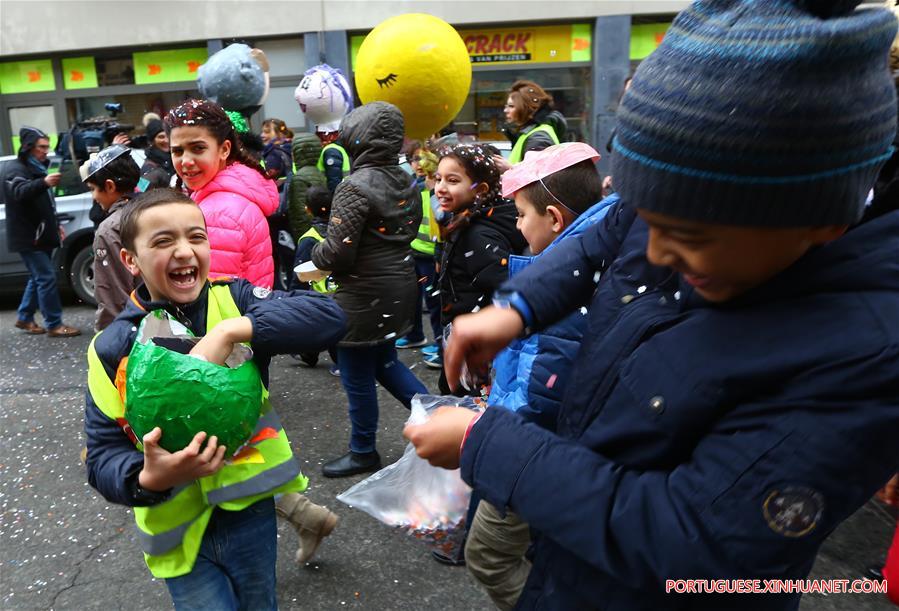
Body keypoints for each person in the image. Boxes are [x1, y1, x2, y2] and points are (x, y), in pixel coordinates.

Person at [405, 1, 899, 609]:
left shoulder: (864, 356)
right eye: (647, 216)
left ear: (821, 221)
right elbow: (606, 233)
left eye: (687, 236)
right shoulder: (691, 215)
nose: (657, 251)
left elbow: (698, 541)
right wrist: (518, 308)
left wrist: (488, 444)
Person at [84, 188, 346, 609]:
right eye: (163, 241)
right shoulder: (111, 347)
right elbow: (101, 456)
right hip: (178, 533)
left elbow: (328, 316)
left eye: (196, 237)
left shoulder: (232, 300)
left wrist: (229, 332)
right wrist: (149, 478)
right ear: (130, 260)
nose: (185, 252)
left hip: (250, 516)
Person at [465, 143, 613, 608]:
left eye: (522, 214)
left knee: (487, 553)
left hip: (528, 450)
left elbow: (545, 395)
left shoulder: (565, 291)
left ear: (554, 218)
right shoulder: (569, 268)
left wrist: (490, 431)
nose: (517, 225)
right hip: (542, 442)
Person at [310, 102, 428, 478]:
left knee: (356, 372)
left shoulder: (354, 185)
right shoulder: (406, 177)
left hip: (363, 294)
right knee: (386, 362)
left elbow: (337, 253)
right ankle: (440, 417)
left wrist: (314, 251)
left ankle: (363, 450)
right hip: (401, 284)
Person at [434, 143, 526, 392]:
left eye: (452, 180)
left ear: (480, 190)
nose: (440, 188)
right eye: (438, 178)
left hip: (478, 346)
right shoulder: (469, 219)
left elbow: (505, 288)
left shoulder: (478, 234)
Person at [164, 99, 279, 289]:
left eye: (198, 149)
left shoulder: (217, 214)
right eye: (177, 151)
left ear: (224, 149)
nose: (185, 161)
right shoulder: (236, 192)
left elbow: (211, 297)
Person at [3, 126, 81, 337]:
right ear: (29, 147)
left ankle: (25, 317)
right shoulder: (16, 168)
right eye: (42, 147)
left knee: (38, 277)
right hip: (29, 237)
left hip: (39, 234)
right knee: (45, 277)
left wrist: (55, 225)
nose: (46, 151)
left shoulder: (35, 166)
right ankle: (54, 324)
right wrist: (43, 182)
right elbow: (19, 192)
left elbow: (45, 204)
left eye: (47, 146)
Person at [82, 144, 141, 331]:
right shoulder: (155, 211)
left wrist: (107, 340)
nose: (94, 197)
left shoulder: (110, 229)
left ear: (109, 186)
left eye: (93, 189)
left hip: (135, 331)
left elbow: (113, 298)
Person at [396, 140, 443, 355]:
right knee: (411, 298)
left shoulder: (438, 187)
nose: (417, 164)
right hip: (413, 251)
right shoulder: (413, 185)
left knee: (434, 301)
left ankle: (441, 343)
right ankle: (414, 334)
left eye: (420, 158)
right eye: (413, 159)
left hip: (431, 254)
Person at [290, 185, 340, 375]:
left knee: (318, 327)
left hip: (319, 295)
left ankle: (315, 355)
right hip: (342, 292)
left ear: (307, 209)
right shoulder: (341, 233)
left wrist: (292, 295)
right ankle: (311, 353)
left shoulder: (308, 239)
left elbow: (299, 274)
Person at [500, 80, 567, 167]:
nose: (506, 111)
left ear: (527, 109)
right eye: (506, 106)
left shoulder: (538, 137)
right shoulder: (530, 133)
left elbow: (537, 176)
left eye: (511, 106)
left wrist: (509, 169)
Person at [139, 119, 175, 190]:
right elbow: (139, 192)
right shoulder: (148, 167)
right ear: (152, 141)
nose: (166, 140)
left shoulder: (175, 158)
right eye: (161, 137)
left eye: (168, 136)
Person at [260, 118, 294, 185]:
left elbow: (266, 181)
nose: (262, 135)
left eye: (267, 132)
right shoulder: (292, 147)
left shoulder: (273, 154)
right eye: (262, 132)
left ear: (279, 134)